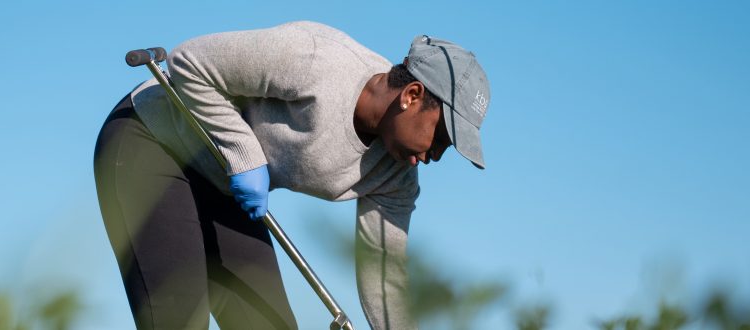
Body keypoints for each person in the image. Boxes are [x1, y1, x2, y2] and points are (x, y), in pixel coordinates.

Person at [93, 21, 491, 330]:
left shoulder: (397, 176)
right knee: (179, 317)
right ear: (412, 96)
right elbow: (188, 61)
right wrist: (245, 155)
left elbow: (385, 277)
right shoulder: (316, 58)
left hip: (223, 185)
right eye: (440, 137)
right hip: (152, 139)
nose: (435, 155)